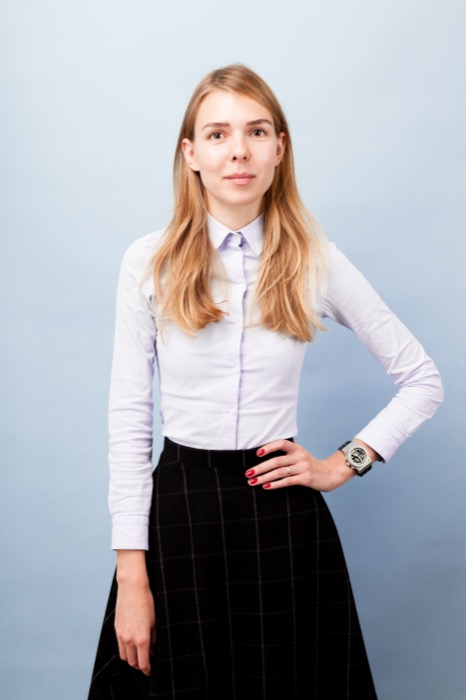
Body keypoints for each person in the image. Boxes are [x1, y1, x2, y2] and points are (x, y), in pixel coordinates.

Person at [88, 64, 443, 700]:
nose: (239, 151)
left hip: (282, 519)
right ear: (190, 153)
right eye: (218, 134)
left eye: (256, 132)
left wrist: (343, 464)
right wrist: (132, 578)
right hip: (180, 515)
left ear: (280, 148)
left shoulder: (314, 260)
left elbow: (422, 379)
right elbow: (128, 423)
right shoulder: (148, 262)